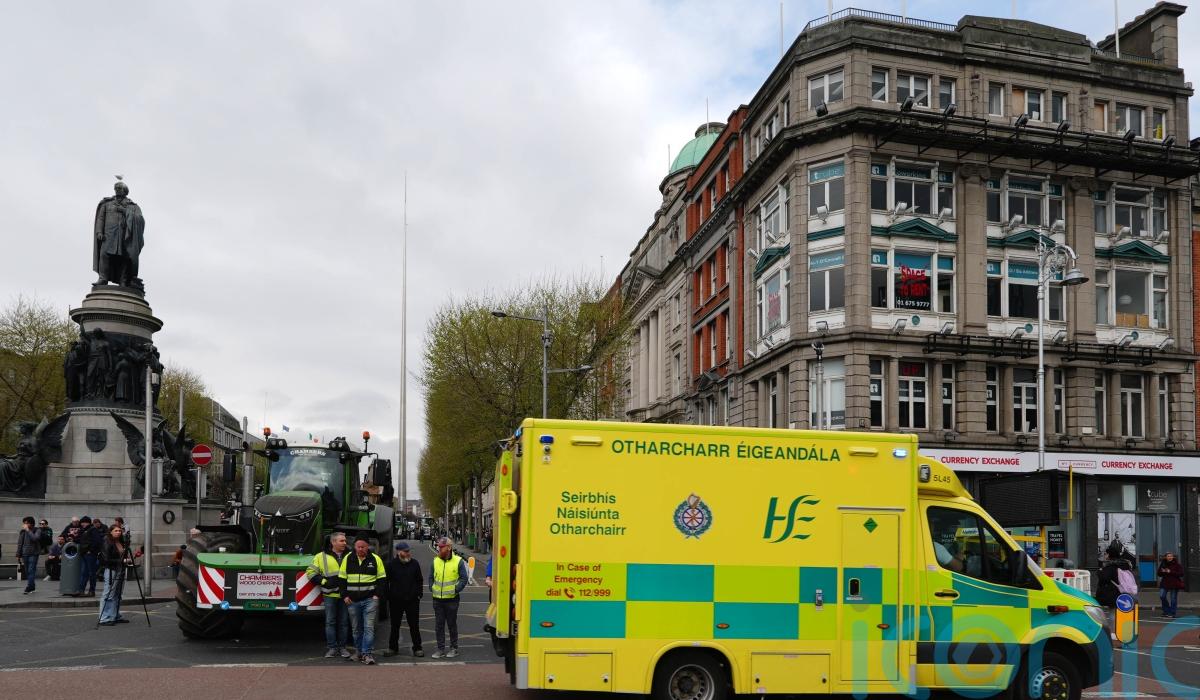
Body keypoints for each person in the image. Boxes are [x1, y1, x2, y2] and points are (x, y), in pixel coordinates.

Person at [338, 536, 386, 665]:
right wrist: (344, 596)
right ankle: (359, 652)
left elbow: (382, 579)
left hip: (370, 600)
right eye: (358, 547)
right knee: (356, 629)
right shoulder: (348, 558)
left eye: (363, 547)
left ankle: (367, 653)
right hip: (352, 601)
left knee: (368, 628)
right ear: (354, 547)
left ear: (368, 547)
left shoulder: (375, 559)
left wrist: (377, 595)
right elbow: (342, 579)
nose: (360, 549)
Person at [307, 532, 351, 659]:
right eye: (342, 541)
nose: (345, 543)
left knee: (344, 623)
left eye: (345, 541)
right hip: (330, 595)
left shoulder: (350, 555)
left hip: (346, 595)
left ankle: (342, 648)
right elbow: (310, 572)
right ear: (333, 542)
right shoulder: (320, 556)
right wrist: (324, 582)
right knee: (330, 622)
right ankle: (332, 648)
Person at [430, 536, 468, 659]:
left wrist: (456, 589)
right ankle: (440, 649)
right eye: (439, 547)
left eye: (442, 547)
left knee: (452, 625)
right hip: (437, 599)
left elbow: (464, 578)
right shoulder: (435, 561)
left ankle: (454, 648)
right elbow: (431, 577)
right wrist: (432, 587)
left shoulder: (458, 561)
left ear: (449, 548)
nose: (439, 549)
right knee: (439, 626)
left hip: (452, 599)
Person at [384, 542, 424, 658]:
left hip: (412, 600)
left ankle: (417, 648)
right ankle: (393, 648)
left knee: (414, 625)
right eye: (405, 551)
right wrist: (389, 596)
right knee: (395, 626)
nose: (408, 553)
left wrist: (419, 594)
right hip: (396, 601)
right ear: (398, 552)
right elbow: (385, 581)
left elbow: (419, 580)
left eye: (408, 551)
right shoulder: (391, 565)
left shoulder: (414, 563)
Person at [97, 522, 141, 625]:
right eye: (116, 531)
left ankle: (115, 616)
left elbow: (121, 556)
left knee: (117, 594)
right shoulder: (107, 541)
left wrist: (129, 558)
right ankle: (104, 618)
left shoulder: (121, 541)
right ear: (110, 532)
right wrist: (122, 561)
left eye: (120, 531)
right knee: (108, 594)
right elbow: (106, 559)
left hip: (121, 569)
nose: (118, 532)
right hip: (111, 570)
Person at [75, 516, 102, 597]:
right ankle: (81, 590)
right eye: (81, 523)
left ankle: (91, 591)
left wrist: (91, 550)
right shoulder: (83, 530)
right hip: (84, 553)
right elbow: (79, 540)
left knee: (91, 573)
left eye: (83, 522)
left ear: (87, 522)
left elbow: (97, 541)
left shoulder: (93, 530)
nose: (82, 524)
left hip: (90, 554)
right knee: (84, 572)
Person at [1158, 552, 1184, 618]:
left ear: (1173, 557)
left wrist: (1170, 571)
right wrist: (1162, 571)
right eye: (1168, 556)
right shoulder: (1163, 564)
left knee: (1173, 599)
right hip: (1165, 583)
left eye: (1171, 556)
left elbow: (1181, 574)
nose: (1170, 557)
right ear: (1166, 557)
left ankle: (1172, 613)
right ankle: (1166, 611)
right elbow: (1159, 573)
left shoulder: (1177, 564)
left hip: (1174, 583)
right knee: (1162, 596)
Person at [16, 516, 39, 594]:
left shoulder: (37, 530)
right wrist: (18, 554)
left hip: (34, 554)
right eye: (24, 523)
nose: (24, 525)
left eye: (26, 523)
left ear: (31, 523)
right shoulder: (22, 531)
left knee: (31, 570)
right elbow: (20, 543)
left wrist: (28, 530)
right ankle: (32, 586)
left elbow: (35, 538)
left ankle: (29, 587)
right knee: (27, 571)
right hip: (24, 553)